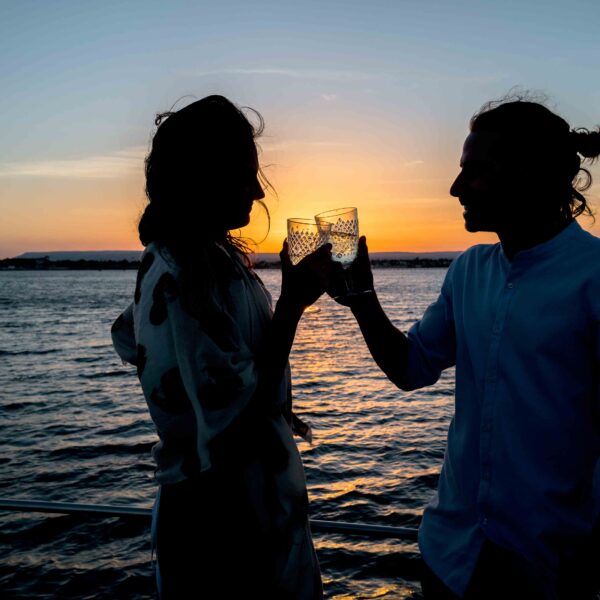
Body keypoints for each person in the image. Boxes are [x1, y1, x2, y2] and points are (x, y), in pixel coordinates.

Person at [329, 97, 600, 599]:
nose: (455, 188)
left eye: (475, 171)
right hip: (449, 556)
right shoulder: (469, 270)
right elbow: (411, 367)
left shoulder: (593, 276)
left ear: (528, 173)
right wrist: (361, 297)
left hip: (547, 569)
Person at [111, 95, 328, 599]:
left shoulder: (212, 262)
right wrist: (292, 304)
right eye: (245, 174)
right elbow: (239, 421)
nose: (257, 191)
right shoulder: (180, 275)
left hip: (253, 513)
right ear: (203, 176)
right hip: (223, 526)